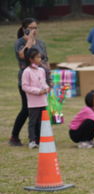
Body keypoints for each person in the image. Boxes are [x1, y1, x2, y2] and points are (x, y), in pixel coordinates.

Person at [9, 18, 49, 147]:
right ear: (24, 28)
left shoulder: (41, 43)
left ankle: (37, 137)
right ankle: (14, 136)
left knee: (41, 110)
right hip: (26, 80)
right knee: (26, 109)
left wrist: (49, 77)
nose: (34, 30)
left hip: (41, 79)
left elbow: (46, 61)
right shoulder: (19, 43)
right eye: (31, 28)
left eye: (35, 28)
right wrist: (29, 40)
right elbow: (23, 56)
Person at [21, 49, 50, 149]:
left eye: (40, 57)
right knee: (33, 122)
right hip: (33, 102)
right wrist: (38, 91)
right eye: (37, 57)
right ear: (31, 59)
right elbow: (24, 86)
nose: (40, 59)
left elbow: (44, 83)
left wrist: (46, 88)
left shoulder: (41, 70)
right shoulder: (27, 71)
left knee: (42, 122)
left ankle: (40, 139)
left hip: (43, 101)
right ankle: (32, 141)